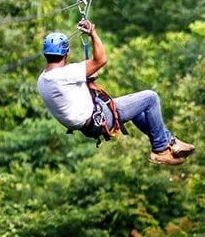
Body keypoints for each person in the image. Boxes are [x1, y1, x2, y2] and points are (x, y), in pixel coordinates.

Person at [37, 18, 195, 166]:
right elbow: (101, 60)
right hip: (100, 118)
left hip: (91, 121)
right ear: (66, 53)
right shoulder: (65, 75)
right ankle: (160, 149)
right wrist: (92, 33)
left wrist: (86, 78)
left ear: (46, 55)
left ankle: (170, 142)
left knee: (137, 110)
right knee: (150, 98)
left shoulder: (43, 80)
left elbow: (67, 92)